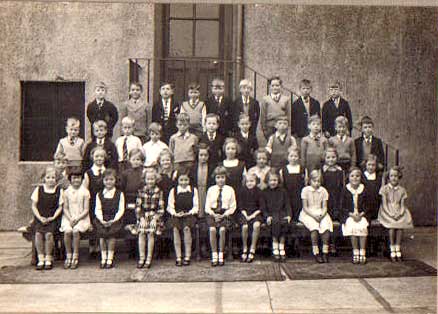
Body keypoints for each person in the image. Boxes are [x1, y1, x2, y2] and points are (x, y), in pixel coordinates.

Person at [31, 166, 64, 270]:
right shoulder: (39, 189)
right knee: (38, 234)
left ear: (56, 179)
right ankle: (41, 259)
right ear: (44, 178)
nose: (50, 180)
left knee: (49, 234)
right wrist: (39, 217)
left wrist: (53, 217)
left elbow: (60, 207)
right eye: (48, 177)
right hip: (40, 217)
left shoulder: (59, 190)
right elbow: (33, 206)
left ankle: (48, 258)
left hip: (53, 218)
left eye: (53, 177)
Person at [378, 166, 413, 262]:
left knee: (400, 226)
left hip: (398, 210)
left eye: (396, 176)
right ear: (388, 178)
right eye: (391, 176)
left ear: (399, 177)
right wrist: (390, 214)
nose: (394, 178)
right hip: (387, 211)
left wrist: (400, 213)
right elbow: (384, 204)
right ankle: (391, 247)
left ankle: (398, 247)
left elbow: (402, 205)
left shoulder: (402, 190)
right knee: (392, 226)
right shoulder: (384, 189)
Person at [205, 166, 237, 266]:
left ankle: (221, 254)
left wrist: (224, 215)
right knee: (212, 230)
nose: (220, 180)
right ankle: (214, 254)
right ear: (215, 178)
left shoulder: (230, 189)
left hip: (225, 214)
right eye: (218, 177)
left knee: (222, 230)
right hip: (213, 214)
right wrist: (213, 214)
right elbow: (207, 207)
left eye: (222, 177)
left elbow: (233, 206)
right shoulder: (211, 189)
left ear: (226, 178)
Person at [299, 170, 333, 263]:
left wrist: (322, 215)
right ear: (310, 181)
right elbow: (305, 207)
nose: (317, 183)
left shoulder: (323, 191)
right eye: (315, 181)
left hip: (321, 212)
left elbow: (325, 207)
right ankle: (316, 252)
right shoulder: (305, 190)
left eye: (319, 181)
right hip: (308, 213)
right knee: (314, 228)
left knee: (326, 226)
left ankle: (325, 252)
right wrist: (314, 216)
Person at [60, 168, 91, 269]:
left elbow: (86, 209)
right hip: (69, 217)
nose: (76, 180)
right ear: (70, 179)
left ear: (82, 179)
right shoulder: (66, 192)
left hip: (82, 217)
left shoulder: (85, 192)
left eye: (78, 178)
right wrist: (70, 219)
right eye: (74, 178)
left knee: (76, 231)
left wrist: (77, 219)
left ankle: (75, 256)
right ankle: (68, 255)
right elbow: (65, 208)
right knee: (68, 231)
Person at [95, 169, 125, 269]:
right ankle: (103, 258)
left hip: (115, 219)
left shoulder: (119, 194)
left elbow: (121, 209)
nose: (109, 182)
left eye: (111, 179)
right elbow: (98, 209)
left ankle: (110, 259)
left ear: (115, 180)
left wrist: (114, 220)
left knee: (111, 235)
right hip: (103, 218)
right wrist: (101, 220)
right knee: (102, 236)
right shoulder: (99, 194)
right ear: (103, 181)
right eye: (106, 180)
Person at [167, 170, 199, 266]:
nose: (183, 182)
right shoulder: (174, 191)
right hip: (177, 215)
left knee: (186, 229)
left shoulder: (193, 190)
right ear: (178, 181)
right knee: (176, 229)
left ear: (189, 180)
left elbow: (196, 206)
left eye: (186, 180)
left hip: (189, 215)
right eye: (181, 180)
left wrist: (189, 213)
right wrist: (175, 213)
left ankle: (187, 256)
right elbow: (170, 206)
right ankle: (178, 256)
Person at [136, 169, 165, 268]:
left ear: (156, 179)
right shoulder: (141, 191)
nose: (150, 181)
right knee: (141, 232)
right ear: (144, 179)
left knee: (151, 233)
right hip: (143, 216)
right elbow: (138, 208)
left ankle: (149, 258)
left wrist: (155, 218)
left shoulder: (159, 191)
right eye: (148, 179)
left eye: (152, 179)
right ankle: (141, 258)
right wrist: (141, 218)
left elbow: (161, 209)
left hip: (155, 216)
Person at [118, 149, 145, 257]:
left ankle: (140, 248)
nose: (136, 161)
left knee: (139, 221)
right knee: (130, 222)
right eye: (133, 159)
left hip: (141, 199)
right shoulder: (125, 173)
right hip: (129, 199)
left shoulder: (144, 172)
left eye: (138, 159)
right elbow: (122, 187)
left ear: (142, 161)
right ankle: (131, 248)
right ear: (129, 160)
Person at [341, 167, 369, 264]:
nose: (355, 178)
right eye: (352, 176)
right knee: (352, 227)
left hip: (361, 214)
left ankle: (362, 251)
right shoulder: (345, 189)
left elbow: (368, 205)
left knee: (362, 226)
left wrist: (361, 214)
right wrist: (351, 214)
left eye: (357, 176)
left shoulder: (364, 189)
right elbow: (342, 206)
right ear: (348, 177)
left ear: (361, 177)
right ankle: (355, 251)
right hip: (350, 215)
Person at [82, 147, 106, 257]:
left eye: (101, 156)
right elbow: (84, 189)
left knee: (101, 222)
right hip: (92, 202)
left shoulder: (107, 172)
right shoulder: (88, 173)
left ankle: (102, 248)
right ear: (92, 157)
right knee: (92, 222)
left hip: (104, 202)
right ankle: (92, 248)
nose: (99, 158)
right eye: (97, 156)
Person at [263, 169, 291, 262]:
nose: (273, 182)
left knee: (284, 222)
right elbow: (263, 207)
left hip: (281, 212)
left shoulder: (283, 191)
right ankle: (275, 246)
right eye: (271, 180)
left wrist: (289, 215)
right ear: (267, 181)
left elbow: (287, 204)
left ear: (278, 180)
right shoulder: (265, 192)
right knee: (274, 222)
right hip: (271, 214)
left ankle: (281, 246)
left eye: (275, 180)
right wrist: (267, 216)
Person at [321, 147, 344, 255]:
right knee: (326, 221)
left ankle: (334, 244)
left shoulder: (340, 171)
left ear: (337, 158)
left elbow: (342, 187)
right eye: (328, 157)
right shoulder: (322, 171)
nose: (331, 160)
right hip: (326, 200)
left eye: (333, 157)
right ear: (325, 158)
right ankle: (326, 243)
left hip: (336, 199)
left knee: (336, 221)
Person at [237, 173, 263, 263]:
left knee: (256, 225)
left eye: (252, 181)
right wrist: (246, 215)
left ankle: (252, 248)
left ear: (256, 182)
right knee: (245, 226)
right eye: (247, 181)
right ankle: (245, 247)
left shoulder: (259, 191)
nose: (249, 183)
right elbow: (240, 206)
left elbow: (261, 207)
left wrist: (252, 216)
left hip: (256, 213)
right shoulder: (242, 191)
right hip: (244, 213)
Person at [260, 76, 291, 142]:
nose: (275, 87)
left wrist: (288, 128)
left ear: (281, 86)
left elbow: (288, 114)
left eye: (277, 85)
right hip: (269, 127)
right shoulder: (265, 99)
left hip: (282, 126)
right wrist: (264, 129)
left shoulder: (286, 99)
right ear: (270, 86)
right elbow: (263, 115)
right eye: (273, 85)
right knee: (271, 145)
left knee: (281, 145)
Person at [280, 147, 306, 222]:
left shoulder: (303, 169)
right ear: (287, 157)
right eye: (291, 156)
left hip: (299, 196)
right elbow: (282, 184)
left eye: (295, 156)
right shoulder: (283, 170)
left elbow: (305, 183)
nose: (293, 158)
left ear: (299, 157)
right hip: (288, 195)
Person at [190, 143, 215, 218]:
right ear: (197, 156)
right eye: (201, 155)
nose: (203, 157)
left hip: (207, 190)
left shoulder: (211, 167)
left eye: (205, 155)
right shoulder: (193, 167)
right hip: (197, 191)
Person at [362, 154, 383, 221]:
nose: (371, 167)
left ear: (376, 166)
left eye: (373, 165)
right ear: (365, 165)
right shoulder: (362, 176)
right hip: (364, 205)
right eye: (369, 165)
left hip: (375, 204)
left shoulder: (379, 177)